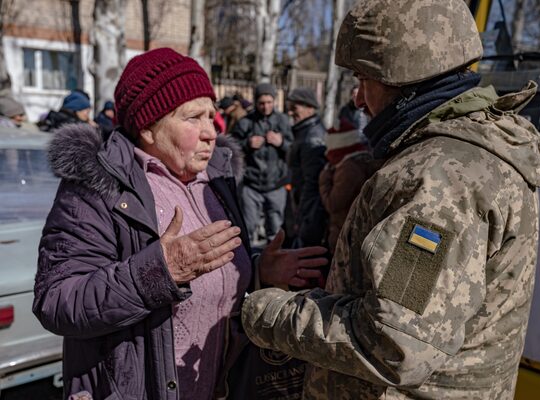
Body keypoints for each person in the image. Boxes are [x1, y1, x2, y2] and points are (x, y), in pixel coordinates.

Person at [241, 1, 540, 399]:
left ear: (403, 79)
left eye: (363, 80)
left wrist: (264, 311)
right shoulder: (471, 156)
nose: (358, 100)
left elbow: (394, 344)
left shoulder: (439, 179)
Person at [33, 48, 327, 400]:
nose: (211, 132)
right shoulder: (99, 185)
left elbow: (210, 276)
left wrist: (257, 271)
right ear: (148, 127)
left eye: (212, 116)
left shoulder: (216, 180)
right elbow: (57, 301)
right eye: (193, 118)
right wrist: (160, 271)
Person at [231, 83, 293, 243]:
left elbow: (294, 149)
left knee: (276, 231)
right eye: (262, 103)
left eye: (269, 102)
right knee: (247, 229)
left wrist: (281, 143)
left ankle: (275, 258)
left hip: (277, 185)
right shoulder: (245, 122)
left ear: (274, 101)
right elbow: (231, 149)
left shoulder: (283, 120)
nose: (266, 107)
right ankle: (248, 258)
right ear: (256, 102)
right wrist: (247, 144)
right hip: (251, 186)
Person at [319, 119, 377, 252]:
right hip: (352, 232)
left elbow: (333, 204)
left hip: (345, 234)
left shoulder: (347, 169)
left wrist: (324, 179)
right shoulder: (361, 160)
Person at [286, 87, 327, 247]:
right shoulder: (305, 131)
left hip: (309, 212)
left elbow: (312, 183)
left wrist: (301, 216)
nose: (290, 112)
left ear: (309, 108)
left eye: (294, 108)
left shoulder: (312, 137)